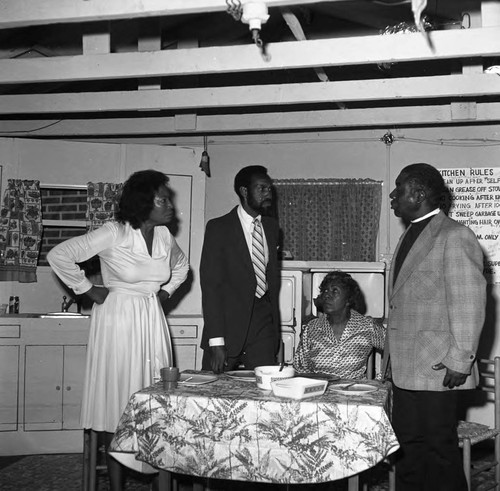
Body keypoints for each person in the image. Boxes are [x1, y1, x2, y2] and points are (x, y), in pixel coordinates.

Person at [47, 169, 189, 490]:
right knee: (118, 399)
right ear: (144, 203)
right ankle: (116, 484)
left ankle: (158, 476)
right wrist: (87, 288)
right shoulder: (115, 232)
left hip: (151, 320)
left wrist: (163, 295)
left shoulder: (165, 237)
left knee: (154, 397)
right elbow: (60, 255)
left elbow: (181, 268)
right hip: (117, 321)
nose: (170, 206)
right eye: (162, 199)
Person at [383, 163, 486, 491]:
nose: (393, 195)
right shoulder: (410, 235)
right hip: (406, 368)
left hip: (439, 367)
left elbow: (469, 302)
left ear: (419, 193)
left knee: (439, 454)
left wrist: (461, 359)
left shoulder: (455, 235)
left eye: (399, 188)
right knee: (408, 451)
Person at [200, 165, 281, 373]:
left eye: (269, 189)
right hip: (226, 328)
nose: (267, 193)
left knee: (265, 393)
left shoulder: (272, 228)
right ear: (244, 191)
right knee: (213, 395)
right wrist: (216, 341)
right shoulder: (219, 228)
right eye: (261, 189)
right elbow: (211, 287)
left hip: (263, 325)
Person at [293, 271, 385, 379]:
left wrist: (381, 380)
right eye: (324, 291)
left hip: (354, 392)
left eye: (335, 291)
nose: (327, 295)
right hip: (320, 390)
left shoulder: (366, 327)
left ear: (348, 299)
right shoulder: (312, 328)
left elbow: (397, 349)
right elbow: (299, 369)